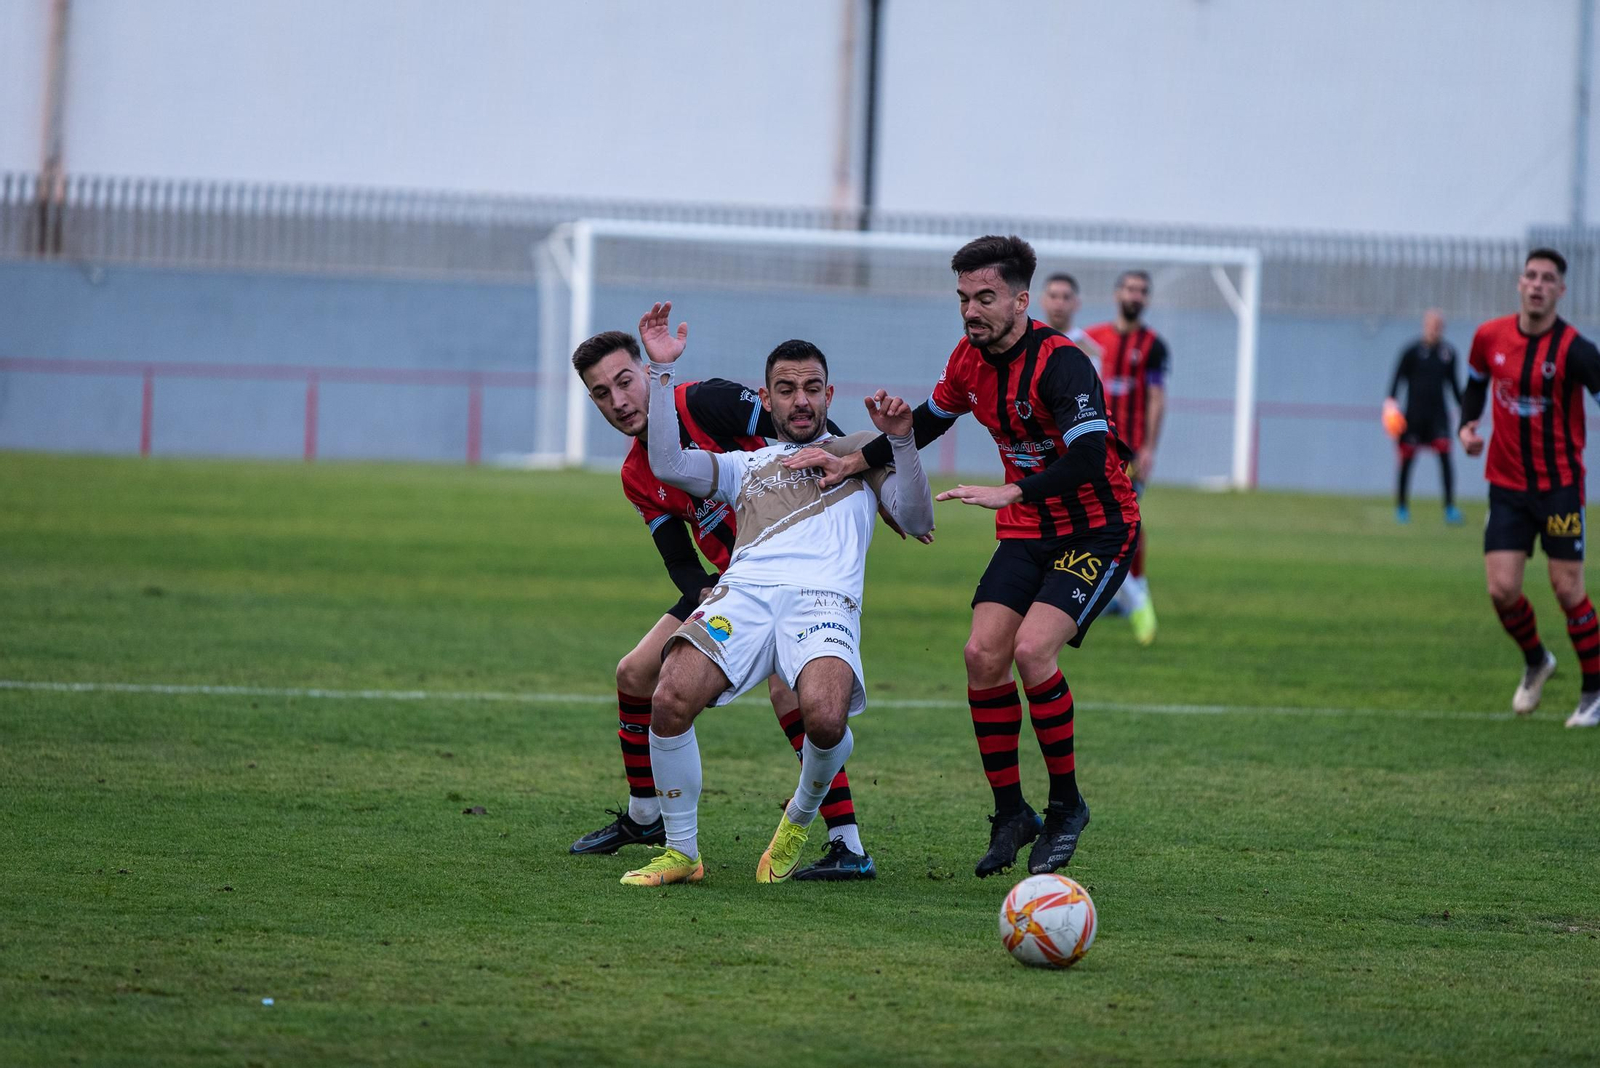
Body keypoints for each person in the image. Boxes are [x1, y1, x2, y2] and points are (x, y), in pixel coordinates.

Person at [784, 235, 1141, 878]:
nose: (970, 311)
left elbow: (1091, 457)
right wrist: (853, 461)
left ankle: (1065, 806)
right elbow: (924, 423)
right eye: (962, 298)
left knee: (1032, 651)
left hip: (1097, 529)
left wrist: (1014, 488)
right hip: (1028, 529)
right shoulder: (968, 361)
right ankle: (1012, 813)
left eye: (984, 298)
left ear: (1020, 300)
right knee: (981, 655)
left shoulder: (1062, 364)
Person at [616, 303, 934, 887]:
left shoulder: (858, 452)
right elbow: (665, 461)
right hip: (744, 597)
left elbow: (915, 518)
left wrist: (903, 443)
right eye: (786, 390)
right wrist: (660, 374)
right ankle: (682, 852)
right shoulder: (746, 464)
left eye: (812, 388)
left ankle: (799, 818)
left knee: (825, 719)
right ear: (767, 399)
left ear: (829, 392)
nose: (801, 401)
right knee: (666, 697)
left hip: (822, 601)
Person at [568, 329, 876, 880]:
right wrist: (708, 594)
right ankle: (647, 816)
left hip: (798, 566)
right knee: (636, 672)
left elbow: (801, 427)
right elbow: (681, 563)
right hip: (734, 578)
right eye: (601, 393)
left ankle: (844, 840)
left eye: (624, 381)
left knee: (795, 689)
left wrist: (859, 475)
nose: (618, 401)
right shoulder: (637, 474)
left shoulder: (702, 400)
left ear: (647, 374)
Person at [1459, 248, 1600, 728]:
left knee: (1567, 590)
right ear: (1520, 283)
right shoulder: (1489, 337)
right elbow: (1476, 383)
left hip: (1560, 489)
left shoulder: (1577, 350)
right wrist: (1466, 427)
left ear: (1561, 291)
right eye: (1531, 276)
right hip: (1507, 489)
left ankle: (1594, 693)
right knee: (1501, 590)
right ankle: (1537, 659)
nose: (1538, 285)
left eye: (1548, 279)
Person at [1084, 271, 1168, 645]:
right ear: (1117, 293)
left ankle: (1136, 592)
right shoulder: (1091, 339)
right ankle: (1120, 592)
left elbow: (1156, 398)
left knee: (1124, 518)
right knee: (1096, 520)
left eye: (1142, 291)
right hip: (1092, 446)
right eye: (1130, 289)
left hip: (1130, 449)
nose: (1136, 295)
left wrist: (1149, 446)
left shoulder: (1153, 345)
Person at [1386, 309, 1464, 524]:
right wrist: (1391, 407)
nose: (1434, 329)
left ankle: (1449, 508)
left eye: (1438, 325)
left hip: (1438, 417)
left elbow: (1455, 387)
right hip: (1413, 417)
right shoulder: (1410, 352)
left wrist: (1468, 410)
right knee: (1407, 461)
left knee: (1446, 460)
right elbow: (1396, 381)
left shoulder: (1448, 353)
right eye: (1431, 324)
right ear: (1424, 325)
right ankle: (1402, 507)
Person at [1038, 273, 1103, 363]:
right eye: (1053, 296)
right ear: (1042, 301)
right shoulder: (1030, 344)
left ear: (1077, 303)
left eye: (1066, 297)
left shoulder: (1087, 350)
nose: (1059, 303)